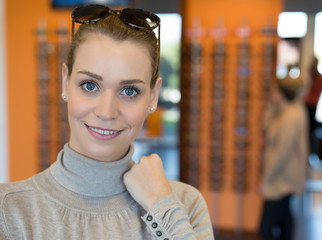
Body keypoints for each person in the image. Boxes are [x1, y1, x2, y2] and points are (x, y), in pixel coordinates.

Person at [0, 5, 214, 239]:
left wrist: (160, 205)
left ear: (153, 97)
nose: (106, 112)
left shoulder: (184, 206)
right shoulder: (9, 211)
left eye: (129, 91)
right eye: (90, 85)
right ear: (65, 83)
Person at [259, 75, 309, 240]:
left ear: (281, 92)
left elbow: (282, 152)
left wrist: (267, 178)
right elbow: (265, 127)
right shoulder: (287, 111)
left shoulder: (291, 117)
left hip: (281, 179)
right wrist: (272, 106)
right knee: (284, 221)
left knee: (266, 227)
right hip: (283, 178)